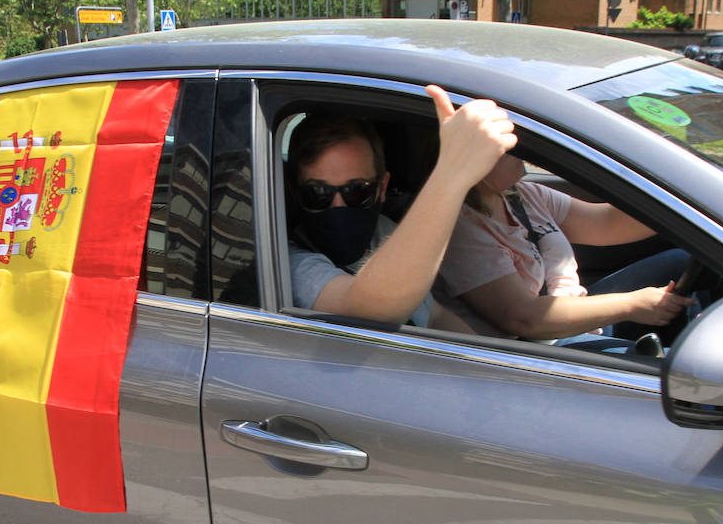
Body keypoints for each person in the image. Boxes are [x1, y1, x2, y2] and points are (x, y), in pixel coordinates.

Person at [287, 85, 515, 329]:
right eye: (317, 193)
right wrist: (453, 172)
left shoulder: (384, 231)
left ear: (382, 188)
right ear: (296, 193)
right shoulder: (291, 261)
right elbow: (367, 312)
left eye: (358, 191)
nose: (338, 206)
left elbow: (434, 316)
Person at [436, 152, 693, 343]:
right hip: (540, 346)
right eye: (504, 144)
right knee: (669, 371)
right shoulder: (460, 226)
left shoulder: (521, 195)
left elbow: (607, 223)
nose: (518, 146)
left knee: (683, 260)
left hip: (571, 311)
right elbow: (523, 318)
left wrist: (689, 198)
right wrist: (632, 305)